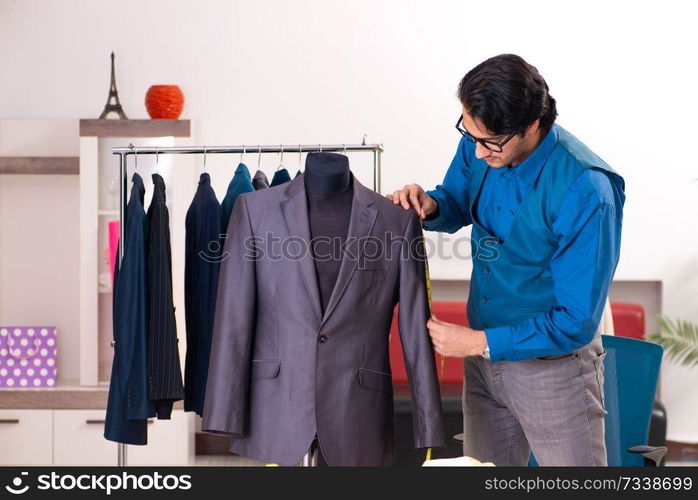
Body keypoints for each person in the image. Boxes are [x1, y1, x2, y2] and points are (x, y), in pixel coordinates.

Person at [387, 54, 625, 466]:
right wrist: (431, 204)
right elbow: (457, 199)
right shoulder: (483, 139)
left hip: (554, 372)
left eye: (489, 142)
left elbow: (576, 320)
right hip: (483, 366)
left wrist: (478, 342)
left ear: (531, 125)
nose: (477, 153)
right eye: (470, 135)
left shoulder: (587, 190)